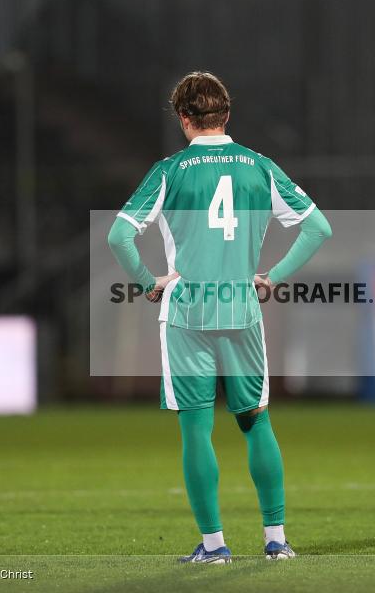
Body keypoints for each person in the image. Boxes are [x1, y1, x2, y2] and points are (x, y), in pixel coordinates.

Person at [108, 71, 331, 563]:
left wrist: (148, 282)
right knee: (255, 422)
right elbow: (318, 227)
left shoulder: (169, 171)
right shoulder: (260, 166)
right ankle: (276, 541)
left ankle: (215, 547)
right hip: (241, 309)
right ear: (227, 115)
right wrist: (271, 275)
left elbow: (118, 238)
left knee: (196, 429)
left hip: (187, 312)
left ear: (183, 119)